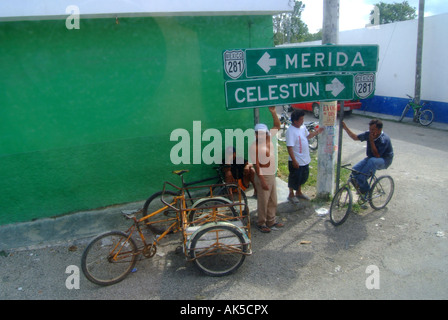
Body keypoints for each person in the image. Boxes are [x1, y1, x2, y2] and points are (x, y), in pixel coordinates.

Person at [249, 106, 284, 233]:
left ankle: (271, 220)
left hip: (271, 174)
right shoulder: (254, 146)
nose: (262, 135)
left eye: (263, 132)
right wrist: (262, 180)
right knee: (263, 201)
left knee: (273, 199)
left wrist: (273, 112)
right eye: (259, 133)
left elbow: (277, 125)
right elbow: (256, 165)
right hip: (263, 175)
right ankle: (261, 222)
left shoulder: (269, 139)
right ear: (256, 134)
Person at [342, 119, 394, 195]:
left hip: (384, 160)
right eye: (370, 129)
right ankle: (364, 190)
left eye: (373, 130)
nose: (371, 131)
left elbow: (377, 156)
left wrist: (371, 141)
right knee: (355, 171)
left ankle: (366, 192)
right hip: (371, 158)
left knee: (364, 173)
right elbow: (355, 137)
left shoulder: (384, 139)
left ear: (380, 130)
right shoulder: (369, 134)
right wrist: (345, 128)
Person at [286, 109, 324, 203]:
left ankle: (299, 192)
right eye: (301, 119)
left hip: (305, 159)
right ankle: (291, 194)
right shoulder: (290, 131)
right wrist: (294, 160)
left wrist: (317, 132)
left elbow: (307, 136)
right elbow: (289, 147)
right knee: (294, 177)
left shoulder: (302, 127)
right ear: (295, 121)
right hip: (296, 159)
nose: (303, 121)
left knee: (303, 177)